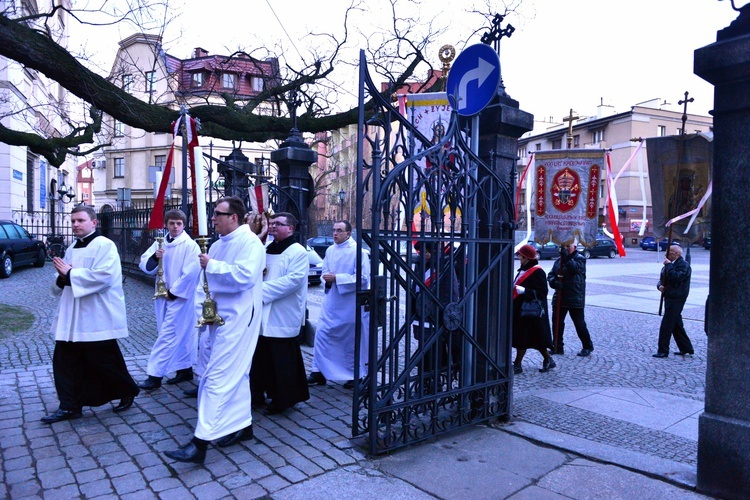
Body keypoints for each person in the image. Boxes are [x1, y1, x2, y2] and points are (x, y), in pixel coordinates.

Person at [164, 196, 265, 464]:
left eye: (218, 214)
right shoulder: (219, 245)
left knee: (217, 376)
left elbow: (245, 277)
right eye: (213, 214)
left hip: (240, 317)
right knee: (235, 373)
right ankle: (243, 425)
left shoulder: (251, 243)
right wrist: (204, 313)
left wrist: (213, 265)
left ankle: (200, 442)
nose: (213, 219)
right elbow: (203, 284)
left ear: (234, 217)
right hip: (217, 319)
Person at [42, 205, 140, 423]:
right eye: (73, 221)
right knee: (64, 360)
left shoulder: (105, 245)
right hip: (71, 316)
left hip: (96, 314)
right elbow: (62, 278)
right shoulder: (72, 247)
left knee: (105, 360)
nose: (75, 224)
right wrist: (61, 278)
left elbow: (105, 277)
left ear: (93, 223)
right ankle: (70, 406)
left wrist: (70, 274)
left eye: (80, 220)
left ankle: (126, 390)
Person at [250, 212, 310, 415]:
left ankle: (283, 399)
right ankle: (257, 393)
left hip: (283, 311)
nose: (273, 226)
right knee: (262, 356)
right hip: (263, 310)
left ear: (290, 229)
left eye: (278, 224)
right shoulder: (267, 249)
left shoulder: (298, 251)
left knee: (282, 359)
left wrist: (259, 292)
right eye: (272, 223)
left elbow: (293, 281)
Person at [137, 209, 202, 391]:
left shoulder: (190, 246)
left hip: (181, 297)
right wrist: (154, 257)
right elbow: (144, 263)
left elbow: (191, 272)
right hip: (162, 295)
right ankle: (184, 368)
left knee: (168, 334)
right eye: (172, 223)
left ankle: (155, 375)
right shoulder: (161, 242)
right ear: (166, 224)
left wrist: (174, 292)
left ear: (184, 225)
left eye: (179, 224)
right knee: (178, 333)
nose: (175, 227)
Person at [307, 220, 370, 389]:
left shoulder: (359, 252)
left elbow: (363, 279)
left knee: (350, 340)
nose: (335, 233)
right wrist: (326, 279)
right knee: (322, 334)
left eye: (339, 230)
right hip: (331, 300)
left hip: (349, 303)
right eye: (334, 230)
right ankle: (318, 371)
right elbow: (324, 271)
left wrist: (338, 279)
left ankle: (354, 375)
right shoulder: (330, 250)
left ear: (348, 233)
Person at [411, 241, 462, 387]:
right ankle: (425, 379)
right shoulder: (420, 266)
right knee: (424, 348)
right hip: (420, 315)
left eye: (427, 252)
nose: (424, 255)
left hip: (436, 316)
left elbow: (451, 293)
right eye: (422, 252)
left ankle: (434, 380)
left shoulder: (443, 267)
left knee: (436, 350)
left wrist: (442, 314)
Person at [512, 244, 555, 373]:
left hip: (532, 311)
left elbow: (542, 293)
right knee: (528, 338)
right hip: (522, 310)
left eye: (520, 255)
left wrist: (525, 291)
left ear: (526, 258)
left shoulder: (538, 272)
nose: (519, 257)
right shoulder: (522, 270)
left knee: (529, 339)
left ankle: (518, 365)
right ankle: (548, 360)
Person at [547, 242, 594, 357]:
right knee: (557, 323)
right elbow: (551, 274)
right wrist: (554, 282)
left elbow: (574, 268)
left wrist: (566, 257)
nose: (567, 248)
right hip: (560, 297)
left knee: (579, 324)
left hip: (575, 297)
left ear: (575, 247)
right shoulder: (559, 261)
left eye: (569, 246)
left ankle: (587, 346)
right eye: (565, 246)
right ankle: (557, 346)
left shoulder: (580, 259)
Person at [653, 245, 695, 358]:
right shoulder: (669, 264)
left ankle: (663, 350)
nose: (666, 254)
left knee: (667, 325)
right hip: (669, 296)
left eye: (669, 252)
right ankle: (686, 347)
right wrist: (660, 286)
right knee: (676, 324)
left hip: (677, 298)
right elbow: (662, 279)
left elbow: (676, 278)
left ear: (676, 254)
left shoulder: (683, 265)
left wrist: (669, 265)